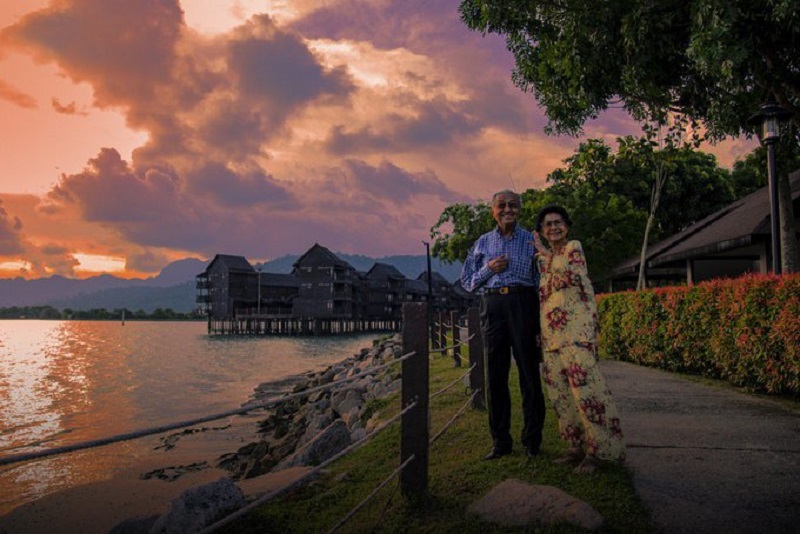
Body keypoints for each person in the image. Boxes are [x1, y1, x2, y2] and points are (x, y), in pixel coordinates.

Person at [532, 205, 625, 473]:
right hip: (552, 336)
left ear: (567, 226)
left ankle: (600, 452)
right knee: (561, 395)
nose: (553, 228)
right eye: (547, 224)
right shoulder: (541, 261)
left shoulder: (574, 247)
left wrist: (547, 255)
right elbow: (545, 296)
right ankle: (575, 447)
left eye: (557, 223)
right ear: (542, 230)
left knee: (587, 393)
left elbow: (571, 276)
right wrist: (541, 330)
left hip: (576, 333)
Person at [461, 190, 546, 460]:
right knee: (495, 376)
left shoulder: (531, 240)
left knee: (529, 374)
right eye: (502, 205)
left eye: (513, 205)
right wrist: (489, 269)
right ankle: (500, 442)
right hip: (493, 306)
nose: (507, 209)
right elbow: (467, 281)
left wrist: (542, 322)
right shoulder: (482, 242)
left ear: (519, 209)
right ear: (493, 211)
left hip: (524, 304)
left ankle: (532, 440)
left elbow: (543, 279)